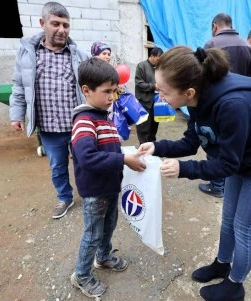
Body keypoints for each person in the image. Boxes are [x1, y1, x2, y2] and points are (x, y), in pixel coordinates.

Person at [138, 46, 251, 301]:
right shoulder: (198, 100)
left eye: (164, 92)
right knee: (228, 220)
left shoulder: (232, 104)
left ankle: (235, 285)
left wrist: (183, 169)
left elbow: (226, 165)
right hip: (241, 164)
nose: (161, 97)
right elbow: (191, 142)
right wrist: (156, 147)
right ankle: (222, 263)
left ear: (187, 91)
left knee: (244, 229)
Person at [70, 57, 146, 298]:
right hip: (95, 191)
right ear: (86, 90)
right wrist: (123, 160)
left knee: (109, 226)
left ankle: (103, 258)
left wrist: (130, 153)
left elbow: (110, 150)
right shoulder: (84, 121)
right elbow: (88, 158)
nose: (112, 97)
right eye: (106, 91)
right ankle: (81, 275)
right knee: (93, 234)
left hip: (111, 187)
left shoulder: (104, 117)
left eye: (115, 91)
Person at [9, 1, 89, 219]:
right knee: (57, 167)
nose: (61, 30)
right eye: (56, 24)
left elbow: (90, 88)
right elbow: (18, 85)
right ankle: (65, 197)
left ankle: (89, 194)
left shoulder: (78, 55)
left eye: (66, 25)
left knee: (84, 162)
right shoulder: (28, 54)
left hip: (77, 125)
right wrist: (16, 114)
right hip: (49, 127)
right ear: (42, 23)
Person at [198, 13, 251, 198]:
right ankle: (227, 183)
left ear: (215, 26)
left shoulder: (211, 44)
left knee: (214, 144)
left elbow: (203, 77)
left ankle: (217, 185)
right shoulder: (247, 45)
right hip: (240, 102)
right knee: (233, 144)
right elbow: (248, 77)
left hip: (217, 102)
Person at [134, 47, 164, 144]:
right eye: (158, 58)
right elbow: (139, 83)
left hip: (157, 102)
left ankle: (152, 147)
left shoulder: (159, 68)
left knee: (154, 127)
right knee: (143, 127)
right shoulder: (141, 66)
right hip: (144, 102)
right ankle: (143, 148)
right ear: (151, 56)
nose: (159, 61)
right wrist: (153, 87)